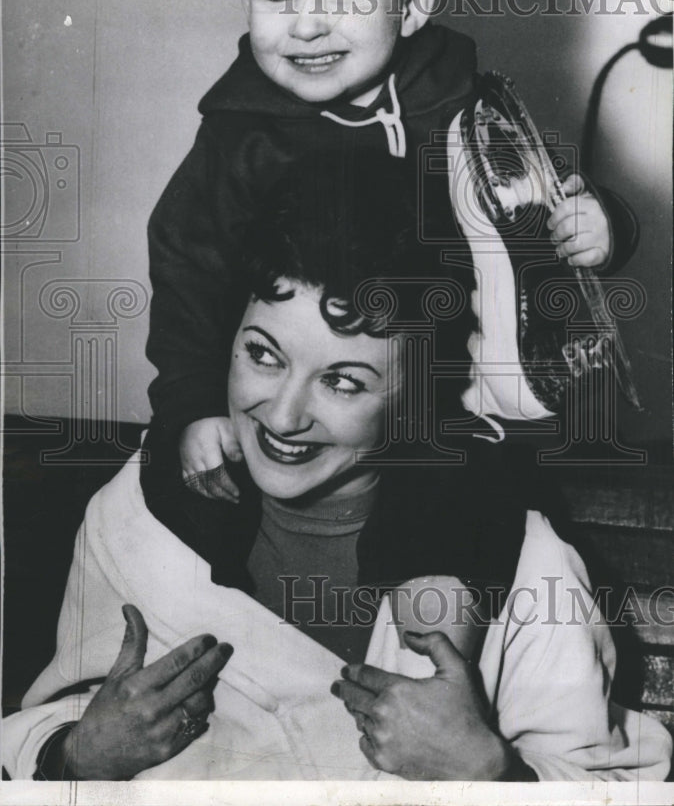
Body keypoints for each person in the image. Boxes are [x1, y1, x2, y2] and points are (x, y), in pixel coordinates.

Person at [3, 154, 669, 782]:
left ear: (420, 397)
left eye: (344, 383)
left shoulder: (521, 566)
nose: (283, 416)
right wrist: (76, 757)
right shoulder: (141, 514)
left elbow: (599, 781)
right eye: (263, 355)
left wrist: (489, 773)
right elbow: (57, 724)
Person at [145, 0, 639, 500]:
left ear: (410, 8)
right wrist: (191, 405)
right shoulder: (243, 138)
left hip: (445, 400)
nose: (307, 25)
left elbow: (534, 215)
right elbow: (187, 271)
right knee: (189, 501)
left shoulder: (463, 110)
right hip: (300, 404)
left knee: (455, 527)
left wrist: (601, 226)